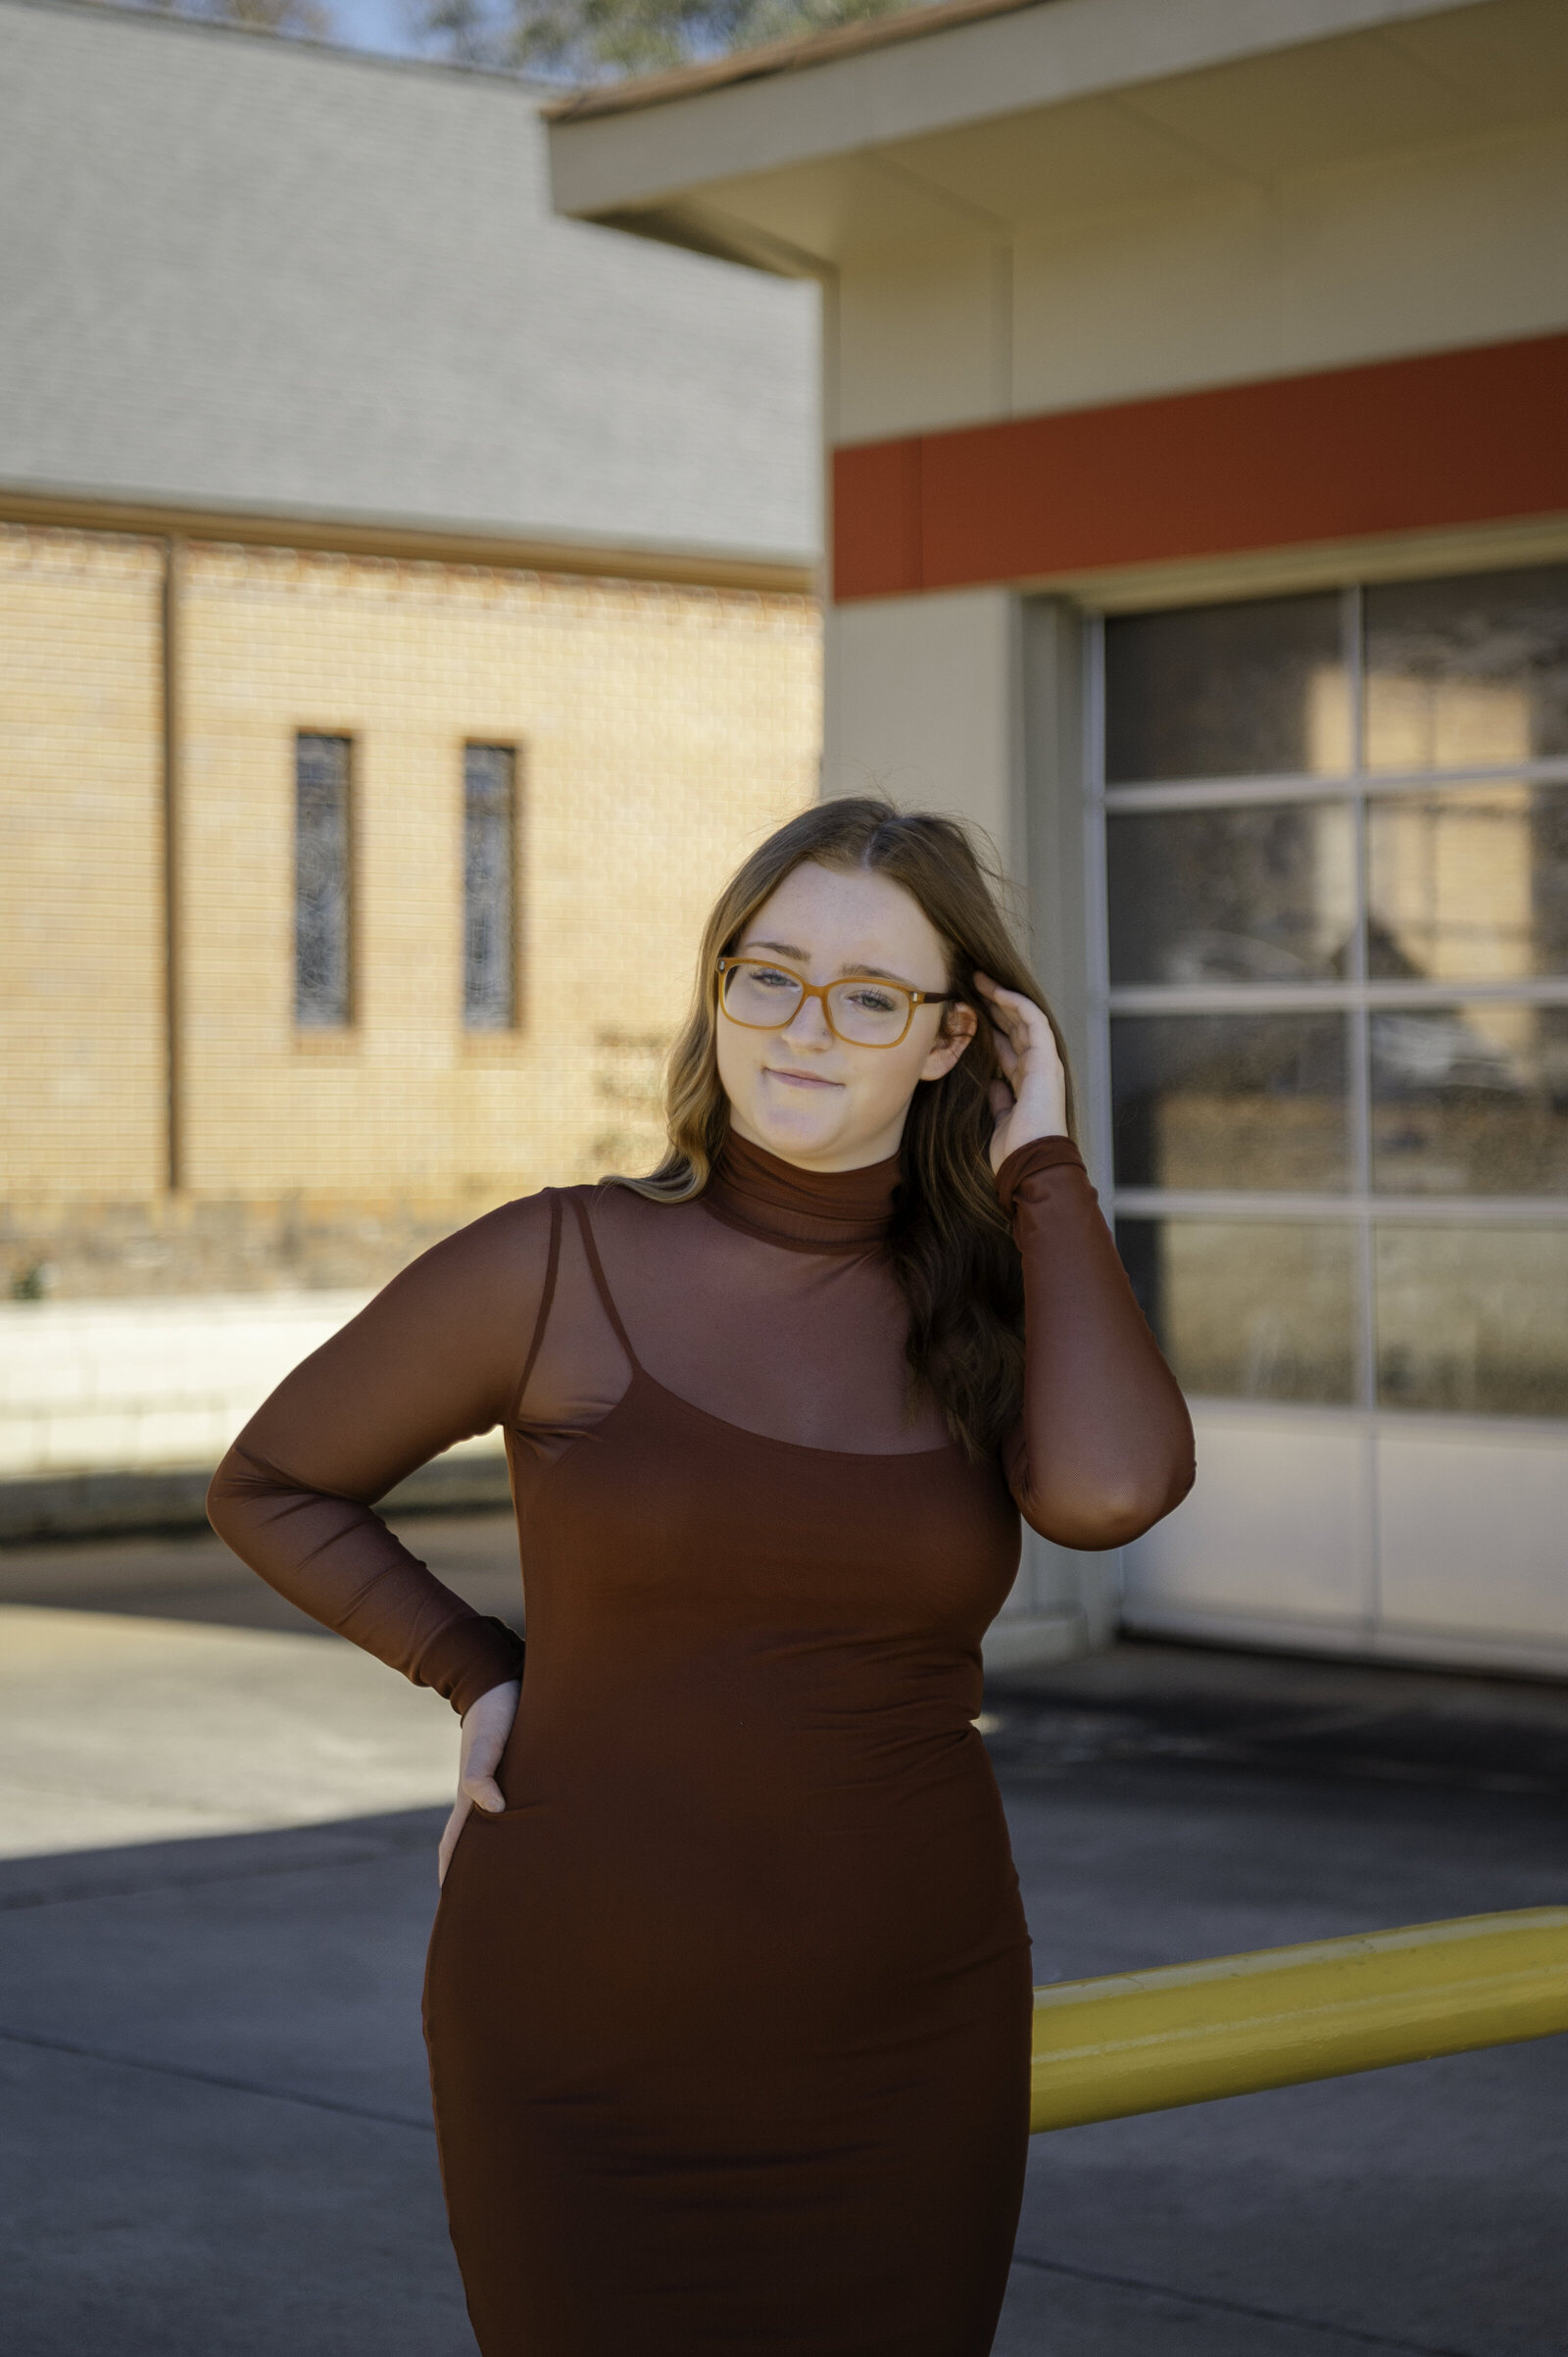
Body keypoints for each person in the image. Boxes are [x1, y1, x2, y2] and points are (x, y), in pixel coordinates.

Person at [208, 797, 1194, 2357]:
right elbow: (271, 1480)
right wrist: (480, 1669)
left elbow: (1108, 1489)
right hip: (577, 2022)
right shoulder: (559, 1264)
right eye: (768, 971)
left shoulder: (1000, 1304)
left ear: (953, 1040)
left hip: (906, 2027)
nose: (806, 1024)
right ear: (718, 986)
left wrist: (1047, 1162)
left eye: (870, 994)